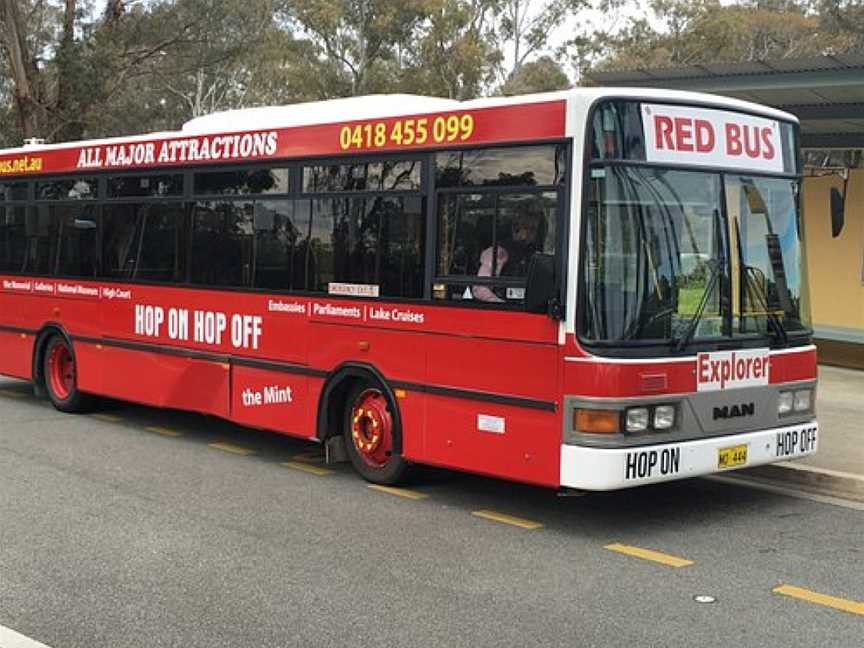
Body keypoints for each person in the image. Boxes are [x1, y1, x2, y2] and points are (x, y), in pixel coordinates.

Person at [472, 201, 546, 302]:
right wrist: (502, 305)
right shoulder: (497, 253)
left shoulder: (536, 254)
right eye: (519, 228)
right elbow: (479, 289)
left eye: (532, 230)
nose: (524, 235)